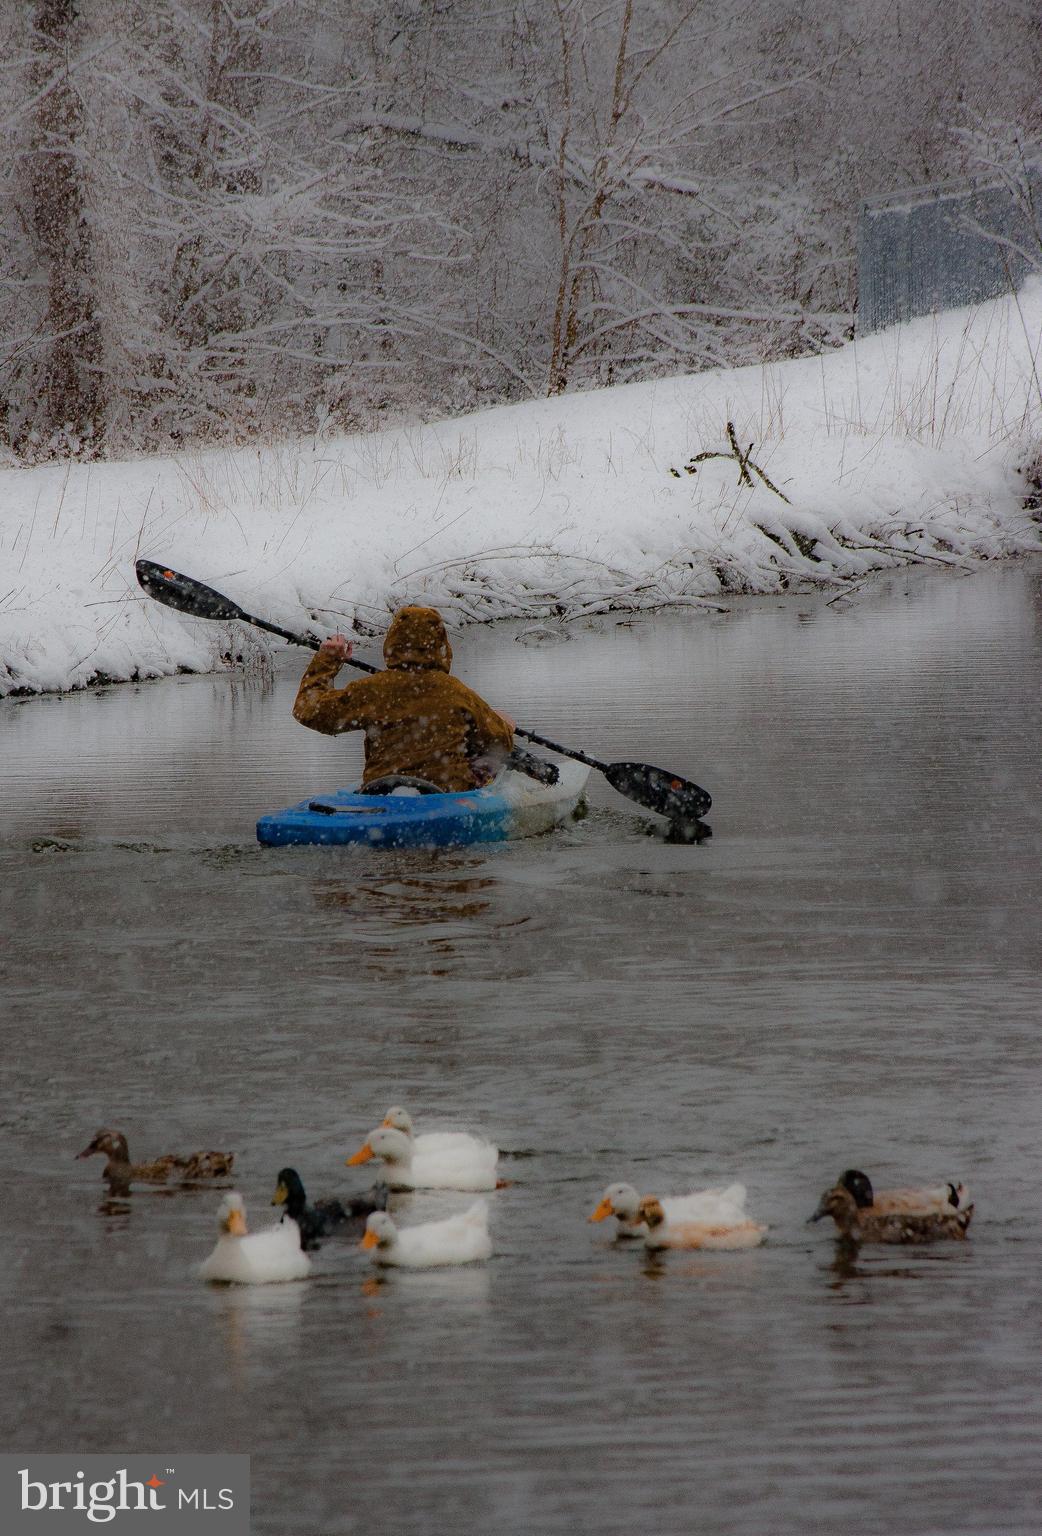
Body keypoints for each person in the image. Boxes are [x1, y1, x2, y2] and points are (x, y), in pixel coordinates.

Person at [293, 604, 515, 792]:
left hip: (382, 791)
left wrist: (328, 659)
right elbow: (499, 745)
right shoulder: (456, 692)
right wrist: (505, 725)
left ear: (392, 642)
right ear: (441, 645)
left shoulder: (370, 690)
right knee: (494, 749)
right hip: (445, 792)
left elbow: (309, 709)